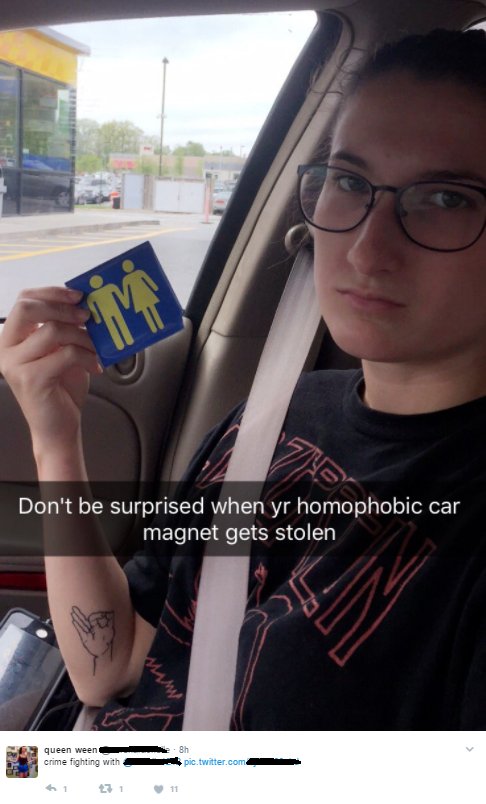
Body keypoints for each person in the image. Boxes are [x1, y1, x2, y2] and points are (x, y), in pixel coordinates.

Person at [0, 27, 485, 730]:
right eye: (350, 182)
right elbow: (113, 661)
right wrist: (55, 439)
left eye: (445, 199)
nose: (366, 249)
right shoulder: (273, 414)